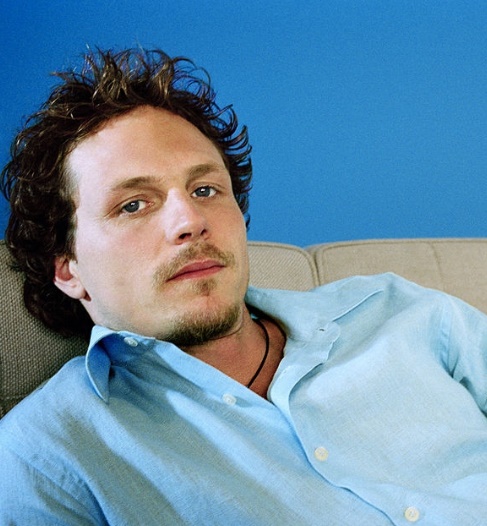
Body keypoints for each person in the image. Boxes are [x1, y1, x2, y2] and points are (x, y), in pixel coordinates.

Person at [0, 48, 487, 526]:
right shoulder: (44, 456)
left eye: (205, 190)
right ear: (68, 269)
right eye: (133, 205)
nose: (190, 220)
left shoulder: (401, 311)